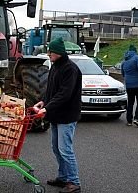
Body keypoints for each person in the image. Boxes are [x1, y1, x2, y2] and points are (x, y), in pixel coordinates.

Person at [34, 37, 82, 193]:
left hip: (67, 116)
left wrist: (46, 109)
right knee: (56, 148)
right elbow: (52, 90)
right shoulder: (55, 66)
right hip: (55, 114)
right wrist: (44, 102)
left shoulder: (70, 69)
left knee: (65, 149)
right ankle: (62, 177)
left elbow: (64, 94)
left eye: (51, 52)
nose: (48, 54)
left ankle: (74, 182)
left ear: (59, 52)